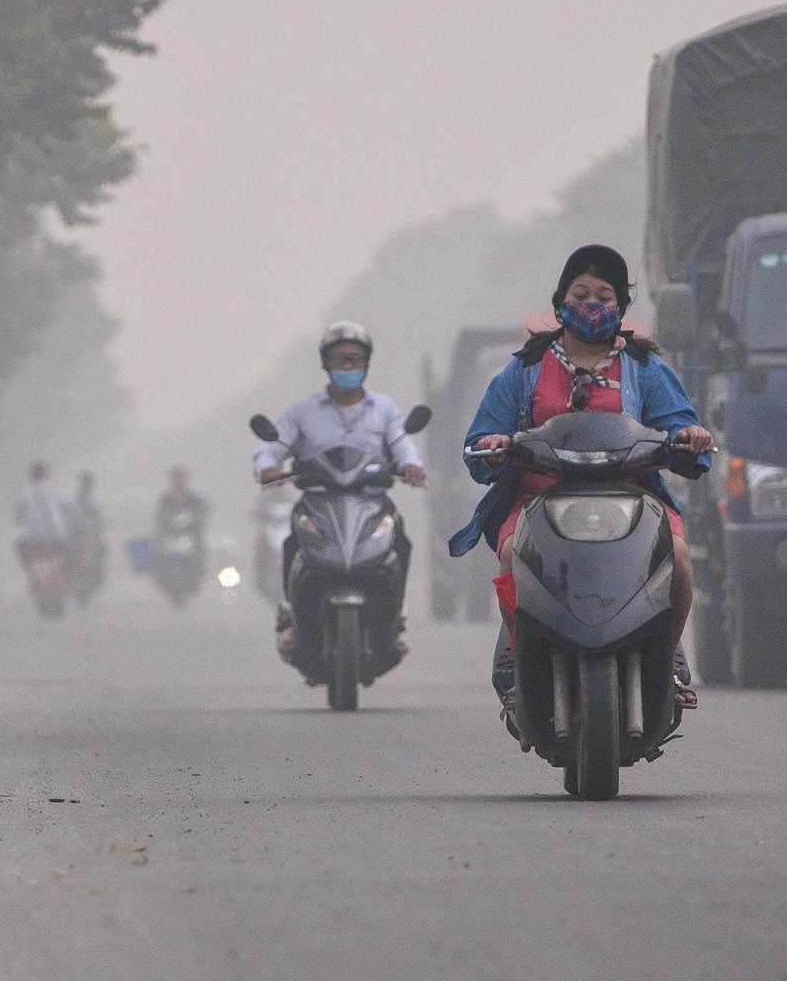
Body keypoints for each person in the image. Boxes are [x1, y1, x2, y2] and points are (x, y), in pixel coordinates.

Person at [450, 245, 714, 710]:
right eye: (582, 293)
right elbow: (481, 437)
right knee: (511, 553)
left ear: (621, 308)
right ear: (561, 300)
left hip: (634, 499)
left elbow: (679, 425)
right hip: (539, 498)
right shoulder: (525, 368)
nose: (593, 305)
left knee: (678, 556)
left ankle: (668, 653)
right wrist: (492, 446)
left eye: (605, 296)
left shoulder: (646, 367)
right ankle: (515, 648)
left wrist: (688, 435)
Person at [253, 321, 427, 658]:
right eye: (339, 359)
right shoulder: (302, 411)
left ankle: (395, 620)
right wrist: (267, 466)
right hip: (318, 501)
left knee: (401, 541)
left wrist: (412, 465)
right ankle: (291, 616)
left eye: (354, 359)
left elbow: (402, 443)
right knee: (292, 543)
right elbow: (272, 447)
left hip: (371, 501)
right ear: (326, 364)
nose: (347, 366)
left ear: (366, 364)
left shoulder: (385, 409)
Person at [13, 460, 72, 570]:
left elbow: (18, 518)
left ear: (31, 476)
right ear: (46, 475)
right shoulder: (54, 490)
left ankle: (30, 574)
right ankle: (68, 573)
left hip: (35, 540)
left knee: (19, 545)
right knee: (73, 547)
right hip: (58, 538)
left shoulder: (23, 493)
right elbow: (68, 507)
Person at [66, 470, 108, 601]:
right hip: (76, 535)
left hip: (91, 535)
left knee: (102, 549)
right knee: (67, 553)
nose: (86, 485)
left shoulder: (94, 499)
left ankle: (100, 575)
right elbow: (69, 516)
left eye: (88, 483)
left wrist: (100, 524)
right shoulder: (75, 500)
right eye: (84, 483)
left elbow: (98, 517)